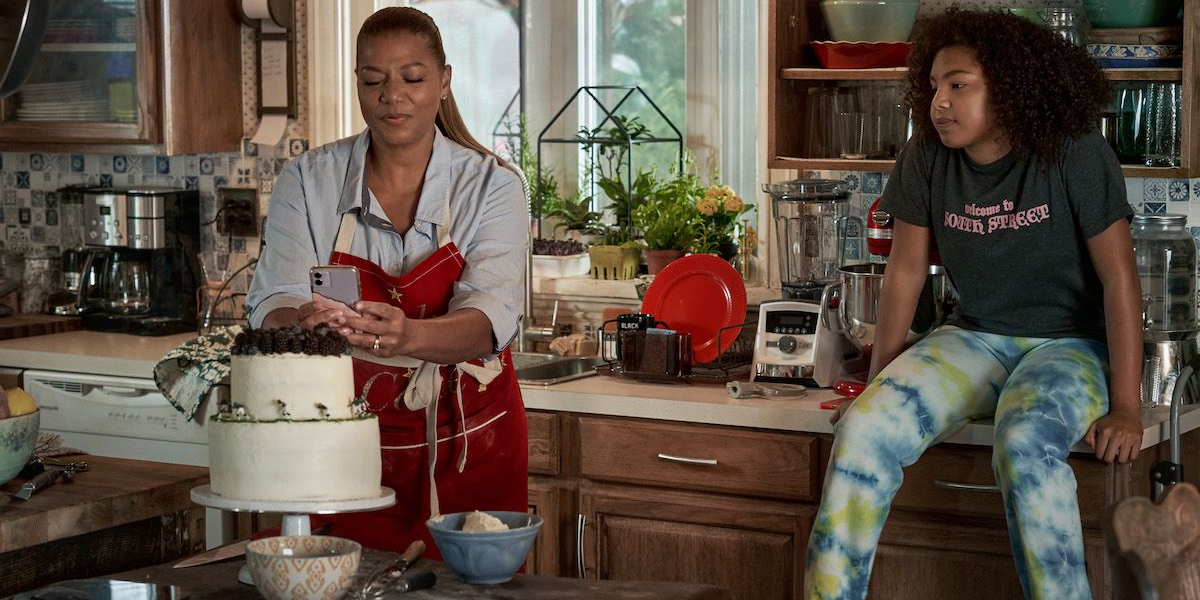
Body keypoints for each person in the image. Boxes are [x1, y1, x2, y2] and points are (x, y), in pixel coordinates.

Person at [804, 9, 1143, 600]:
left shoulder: (1075, 152)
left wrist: (1127, 407)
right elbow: (905, 270)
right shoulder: (927, 157)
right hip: (976, 336)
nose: (939, 102)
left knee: (1024, 442)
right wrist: (882, 382)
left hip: (1069, 344)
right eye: (934, 85)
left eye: (958, 84)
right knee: (862, 432)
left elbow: (1120, 279)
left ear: (1010, 89)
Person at [245, 6, 529, 556]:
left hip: (470, 441)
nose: (391, 96)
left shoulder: (493, 186)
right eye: (373, 80)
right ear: (358, 84)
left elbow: (490, 321)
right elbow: (273, 298)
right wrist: (299, 322)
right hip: (338, 442)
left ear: (444, 82)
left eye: (413, 78)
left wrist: (407, 337)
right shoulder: (307, 180)